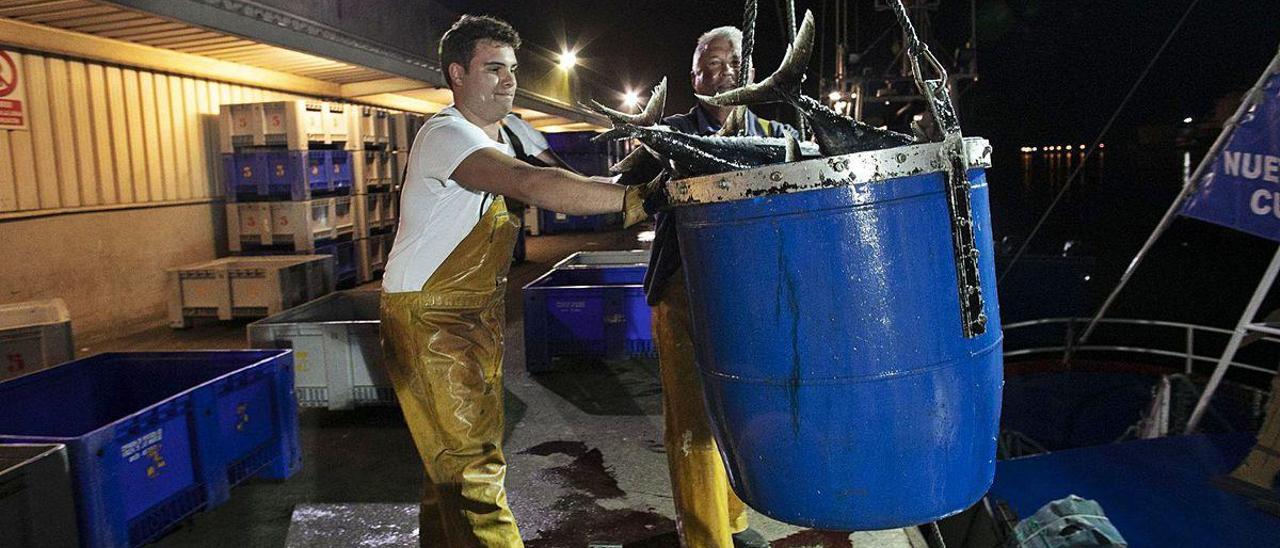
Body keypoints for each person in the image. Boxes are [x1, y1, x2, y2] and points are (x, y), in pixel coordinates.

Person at [379, 14, 650, 547]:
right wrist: (638, 201)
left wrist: (635, 178)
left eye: (513, 70)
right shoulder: (446, 134)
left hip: (468, 312)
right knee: (473, 465)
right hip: (430, 316)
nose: (509, 80)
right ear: (457, 74)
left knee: (452, 462)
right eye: (494, 69)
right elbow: (529, 182)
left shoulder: (499, 135)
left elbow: (565, 176)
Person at [645, 26, 794, 548]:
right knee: (691, 421)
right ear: (693, 76)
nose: (719, 74)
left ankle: (731, 516)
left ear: (748, 71)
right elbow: (637, 196)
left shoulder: (778, 135)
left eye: (729, 64)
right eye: (707, 65)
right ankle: (705, 539)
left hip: (752, 297)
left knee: (741, 410)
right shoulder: (671, 134)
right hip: (683, 287)